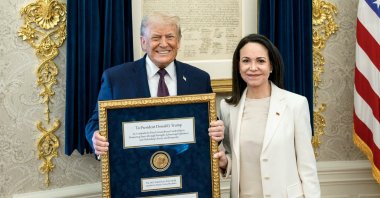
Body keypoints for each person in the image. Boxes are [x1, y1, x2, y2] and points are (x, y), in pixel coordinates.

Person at [85, 12, 224, 155]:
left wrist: (217, 131)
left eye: (170, 37)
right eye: (156, 37)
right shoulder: (116, 79)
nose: (164, 44)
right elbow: (95, 123)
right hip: (135, 169)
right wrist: (96, 138)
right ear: (143, 42)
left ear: (179, 41)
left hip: (186, 169)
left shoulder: (199, 79)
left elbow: (209, 127)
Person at [214, 34, 320, 197]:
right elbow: (235, 157)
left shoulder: (295, 104)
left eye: (261, 61)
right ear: (238, 66)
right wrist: (224, 162)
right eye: (246, 60)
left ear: (271, 66)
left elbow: (307, 166)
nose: (253, 67)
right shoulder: (228, 108)